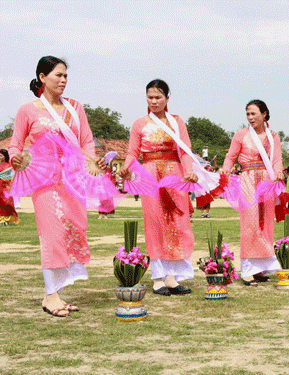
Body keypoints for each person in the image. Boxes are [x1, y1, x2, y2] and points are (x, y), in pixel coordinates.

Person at [9, 56, 104, 316]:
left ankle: (55, 292)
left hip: (73, 179)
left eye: (65, 76)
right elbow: (15, 143)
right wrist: (15, 156)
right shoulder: (28, 110)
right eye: (57, 75)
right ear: (42, 77)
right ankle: (51, 295)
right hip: (45, 179)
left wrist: (93, 160)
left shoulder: (75, 108)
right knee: (51, 234)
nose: (63, 80)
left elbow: (86, 141)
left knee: (72, 229)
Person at [120, 79, 196, 296]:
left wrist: (189, 172)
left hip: (175, 176)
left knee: (177, 223)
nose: (153, 101)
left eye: (158, 97)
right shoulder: (139, 124)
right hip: (150, 177)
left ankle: (172, 278)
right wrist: (126, 169)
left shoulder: (177, 122)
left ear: (167, 99)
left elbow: (186, 150)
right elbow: (133, 153)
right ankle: (157, 278)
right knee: (155, 224)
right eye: (150, 97)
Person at [221, 100, 284, 286]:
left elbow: (277, 159)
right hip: (247, 180)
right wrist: (226, 169)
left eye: (253, 113)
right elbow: (230, 156)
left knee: (265, 224)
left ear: (264, 114)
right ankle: (247, 270)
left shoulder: (274, 136)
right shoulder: (241, 135)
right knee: (250, 223)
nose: (250, 117)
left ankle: (260, 269)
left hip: (267, 181)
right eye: (247, 114)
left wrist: (279, 171)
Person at [0, 149, 19, 226]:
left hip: (7, 186)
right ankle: (2, 219)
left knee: (8, 202)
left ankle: (9, 218)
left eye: (1, 155)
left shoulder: (9, 165)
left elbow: (13, 175)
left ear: (5, 156)